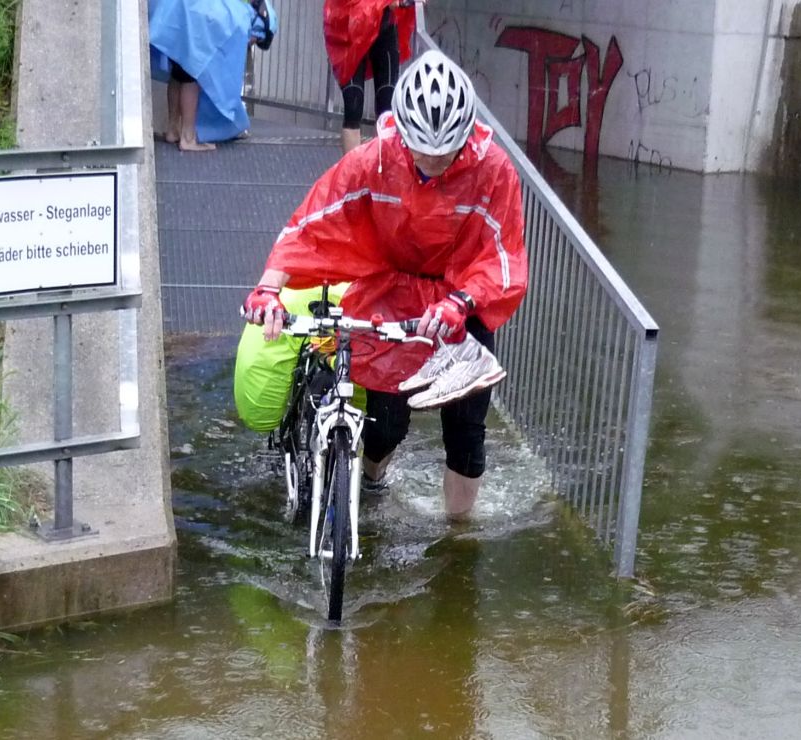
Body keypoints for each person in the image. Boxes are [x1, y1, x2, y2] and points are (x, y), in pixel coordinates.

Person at [242, 50, 528, 519]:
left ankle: (459, 539)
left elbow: (504, 254)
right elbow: (314, 220)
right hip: (392, 293)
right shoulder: (374, 160)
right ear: (404, 137)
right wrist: (268, 287)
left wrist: (462, 300)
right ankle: (372, 488)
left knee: (467, 431)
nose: (433, 165)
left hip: (461, 300)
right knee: (385, 422)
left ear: (466, 139)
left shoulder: (493, 170)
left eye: (445, 155)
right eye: (422, 153)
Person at [149, 0, 277, 150]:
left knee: (178, 72)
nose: (251, 43)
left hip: (179, 11)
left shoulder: (235, 8)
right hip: (194, 15)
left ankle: (173, 129)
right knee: (193, 74)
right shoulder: (241, 20)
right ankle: (188, 138)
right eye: (257, 40)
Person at [323, 0, 420, 153]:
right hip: (350, 28)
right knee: (353, 107)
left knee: (386, 109)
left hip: (384, 25)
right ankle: (353, 172)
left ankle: (381, 170)